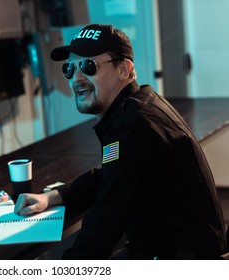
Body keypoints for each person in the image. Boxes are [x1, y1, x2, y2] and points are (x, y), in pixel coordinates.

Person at [14, 23, 227, 259]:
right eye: (69, 68)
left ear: (124, 70)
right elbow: (112, 175)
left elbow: (105, 223)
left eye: (88, 66)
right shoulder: (137, 107)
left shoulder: (137, 127)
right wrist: (53, 196)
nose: (77, 78)